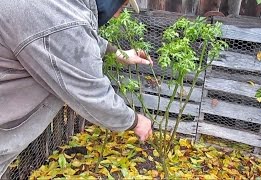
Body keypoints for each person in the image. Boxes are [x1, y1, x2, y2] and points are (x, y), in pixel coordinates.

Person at [0, 0, 153, 178]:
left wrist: (117, 52)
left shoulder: (55, 8)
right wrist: (135, 121)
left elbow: (72, 32)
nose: (118, 15)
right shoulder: (60, 22)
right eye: (121, 6)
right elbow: (93, 94)